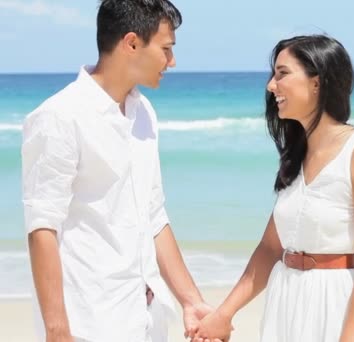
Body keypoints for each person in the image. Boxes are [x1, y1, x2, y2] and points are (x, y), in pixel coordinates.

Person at [21, 1, 222, 341]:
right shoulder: (59, 116)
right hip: (89, 322)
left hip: (146, 319)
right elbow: (42, 226)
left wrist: (191, 301)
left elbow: (154, 215)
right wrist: (57, 331)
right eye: (166, 49)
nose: (172, 62)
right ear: (131, 43)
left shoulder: (143, 112)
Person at [191, 35, 354, 341]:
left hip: (338, 308)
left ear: (316, 83)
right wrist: (223, 315)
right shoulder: (296, 157)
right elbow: (270, 249)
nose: (271, 86)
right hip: (288, 305)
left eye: (282, 74)